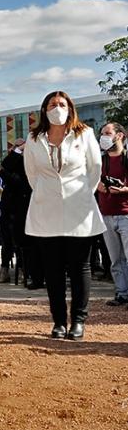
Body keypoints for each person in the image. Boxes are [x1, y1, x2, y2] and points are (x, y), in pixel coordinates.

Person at [24, 91, 105, 340]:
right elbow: (32, 173)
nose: (57, 108)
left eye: (61, 104)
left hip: (78, 208)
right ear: (44, 109)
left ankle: (78, 321)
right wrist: (46, 192)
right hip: (46, 210)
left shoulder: (85, 133)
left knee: (80, 267)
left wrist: (79, 194)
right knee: (53, 270)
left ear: (70, 108)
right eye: (52, 104)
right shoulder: (34, 138)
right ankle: (59, 321)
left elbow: (95, 169)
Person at [0, 139, 40, 288]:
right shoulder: (12, 160)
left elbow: (18, 182)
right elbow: (6, 165)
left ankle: (24, 271)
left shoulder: (28, 162)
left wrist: (2, 172)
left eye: (21, 146)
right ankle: (5, 271)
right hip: (8, 208)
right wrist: (16, 151)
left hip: (23, 207)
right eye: (15, 146)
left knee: (22, 242)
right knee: (6, 241)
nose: (18, 148)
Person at [97, 122, 128, 307]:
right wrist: (97, 185)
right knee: (115, 258)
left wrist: (123, 189)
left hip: (125, 213)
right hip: (106, 214)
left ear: (120, 135)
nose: (104, 137)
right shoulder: (100, 161)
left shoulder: (126, 158)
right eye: (102, 133)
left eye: (107, 133)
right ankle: (121, 293)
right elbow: (89, 180)